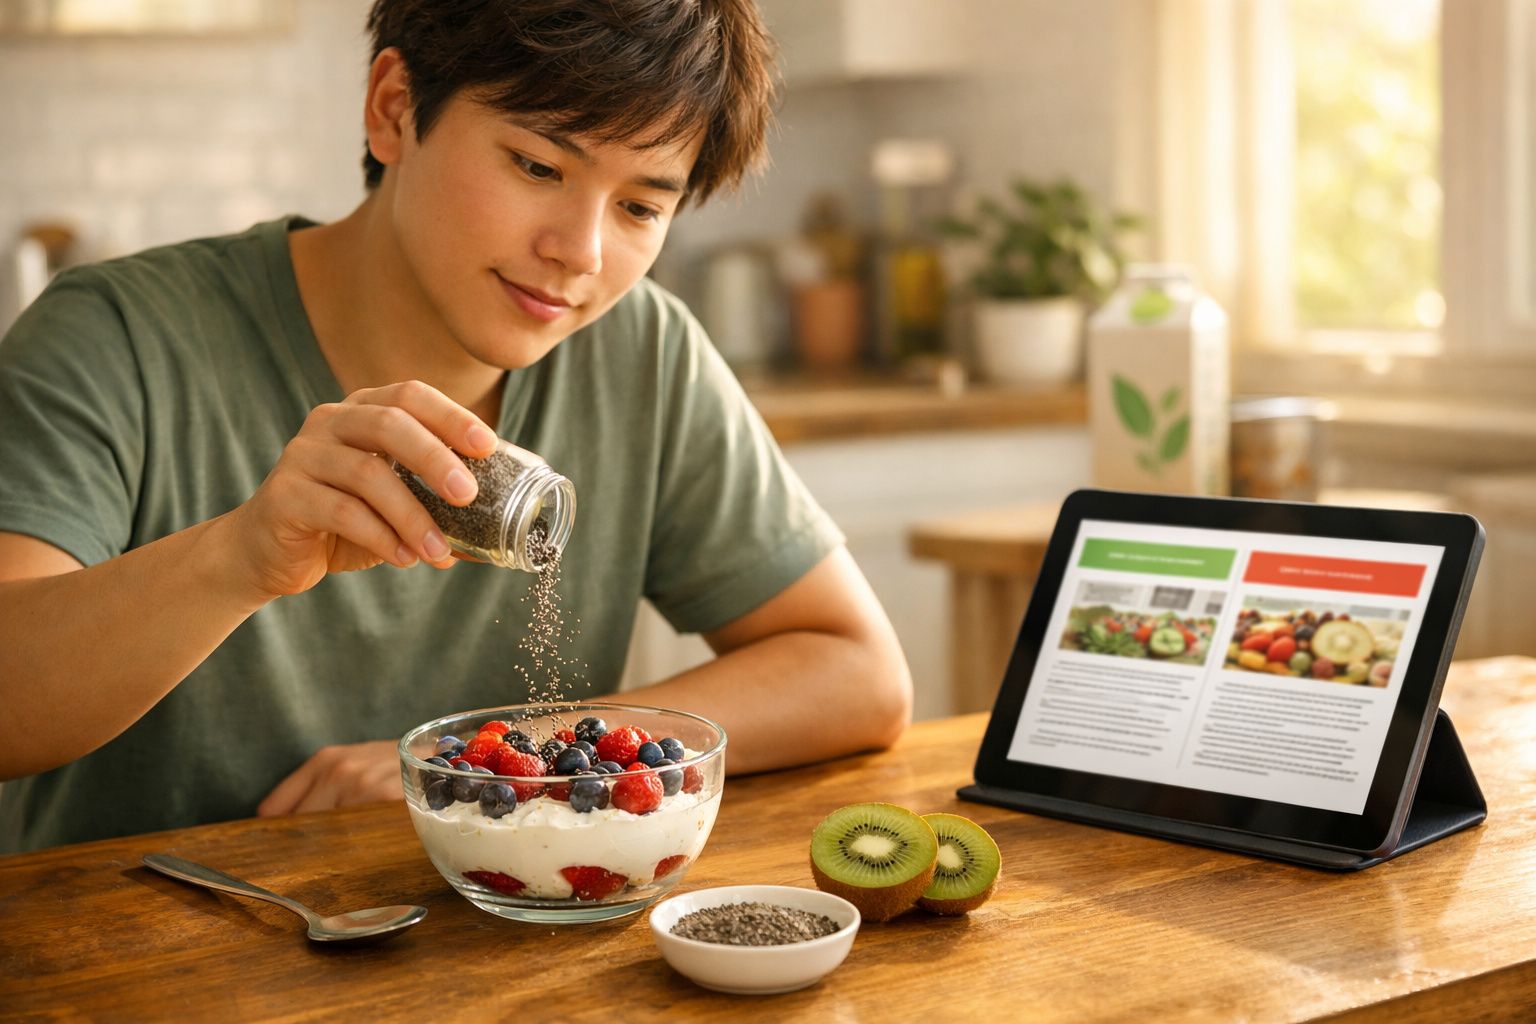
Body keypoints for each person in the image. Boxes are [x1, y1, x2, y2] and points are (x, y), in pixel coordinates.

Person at [0, 0, 912, 852]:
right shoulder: (119, 335)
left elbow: (855, 674)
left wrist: (491, 758)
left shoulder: (643, 353)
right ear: (394, 108)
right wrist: (240, 556)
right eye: (538, 166)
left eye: (640, 206)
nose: (581, 253)